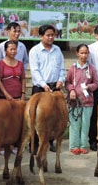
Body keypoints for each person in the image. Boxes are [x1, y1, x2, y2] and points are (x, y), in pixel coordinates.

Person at [29, 24, 66, 152]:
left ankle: (49, 142)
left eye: (53, 35)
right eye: (48, 35)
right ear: (41, 36)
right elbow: (34, 70)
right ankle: (33, 144)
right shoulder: (35, 51)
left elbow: (62, 68)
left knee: (54, 116)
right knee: (36, 116)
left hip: (55, 87)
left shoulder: (57, 50)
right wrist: (44, 85)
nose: (51, 38)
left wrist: (61, 80)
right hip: (40, 88)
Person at [66, 44, 98, 155]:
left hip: (88, 101)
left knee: (85, 125)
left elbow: (96, 83)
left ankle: (83, 145)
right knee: (75, 124)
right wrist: (72, 90)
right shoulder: (73, 68)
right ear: (77, 53)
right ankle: (74, 145)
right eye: (82, 53)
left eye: (86, 53)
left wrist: (89, 87)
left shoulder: (92, 69)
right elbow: (68, 82)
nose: (84, 55)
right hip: (75, 102)